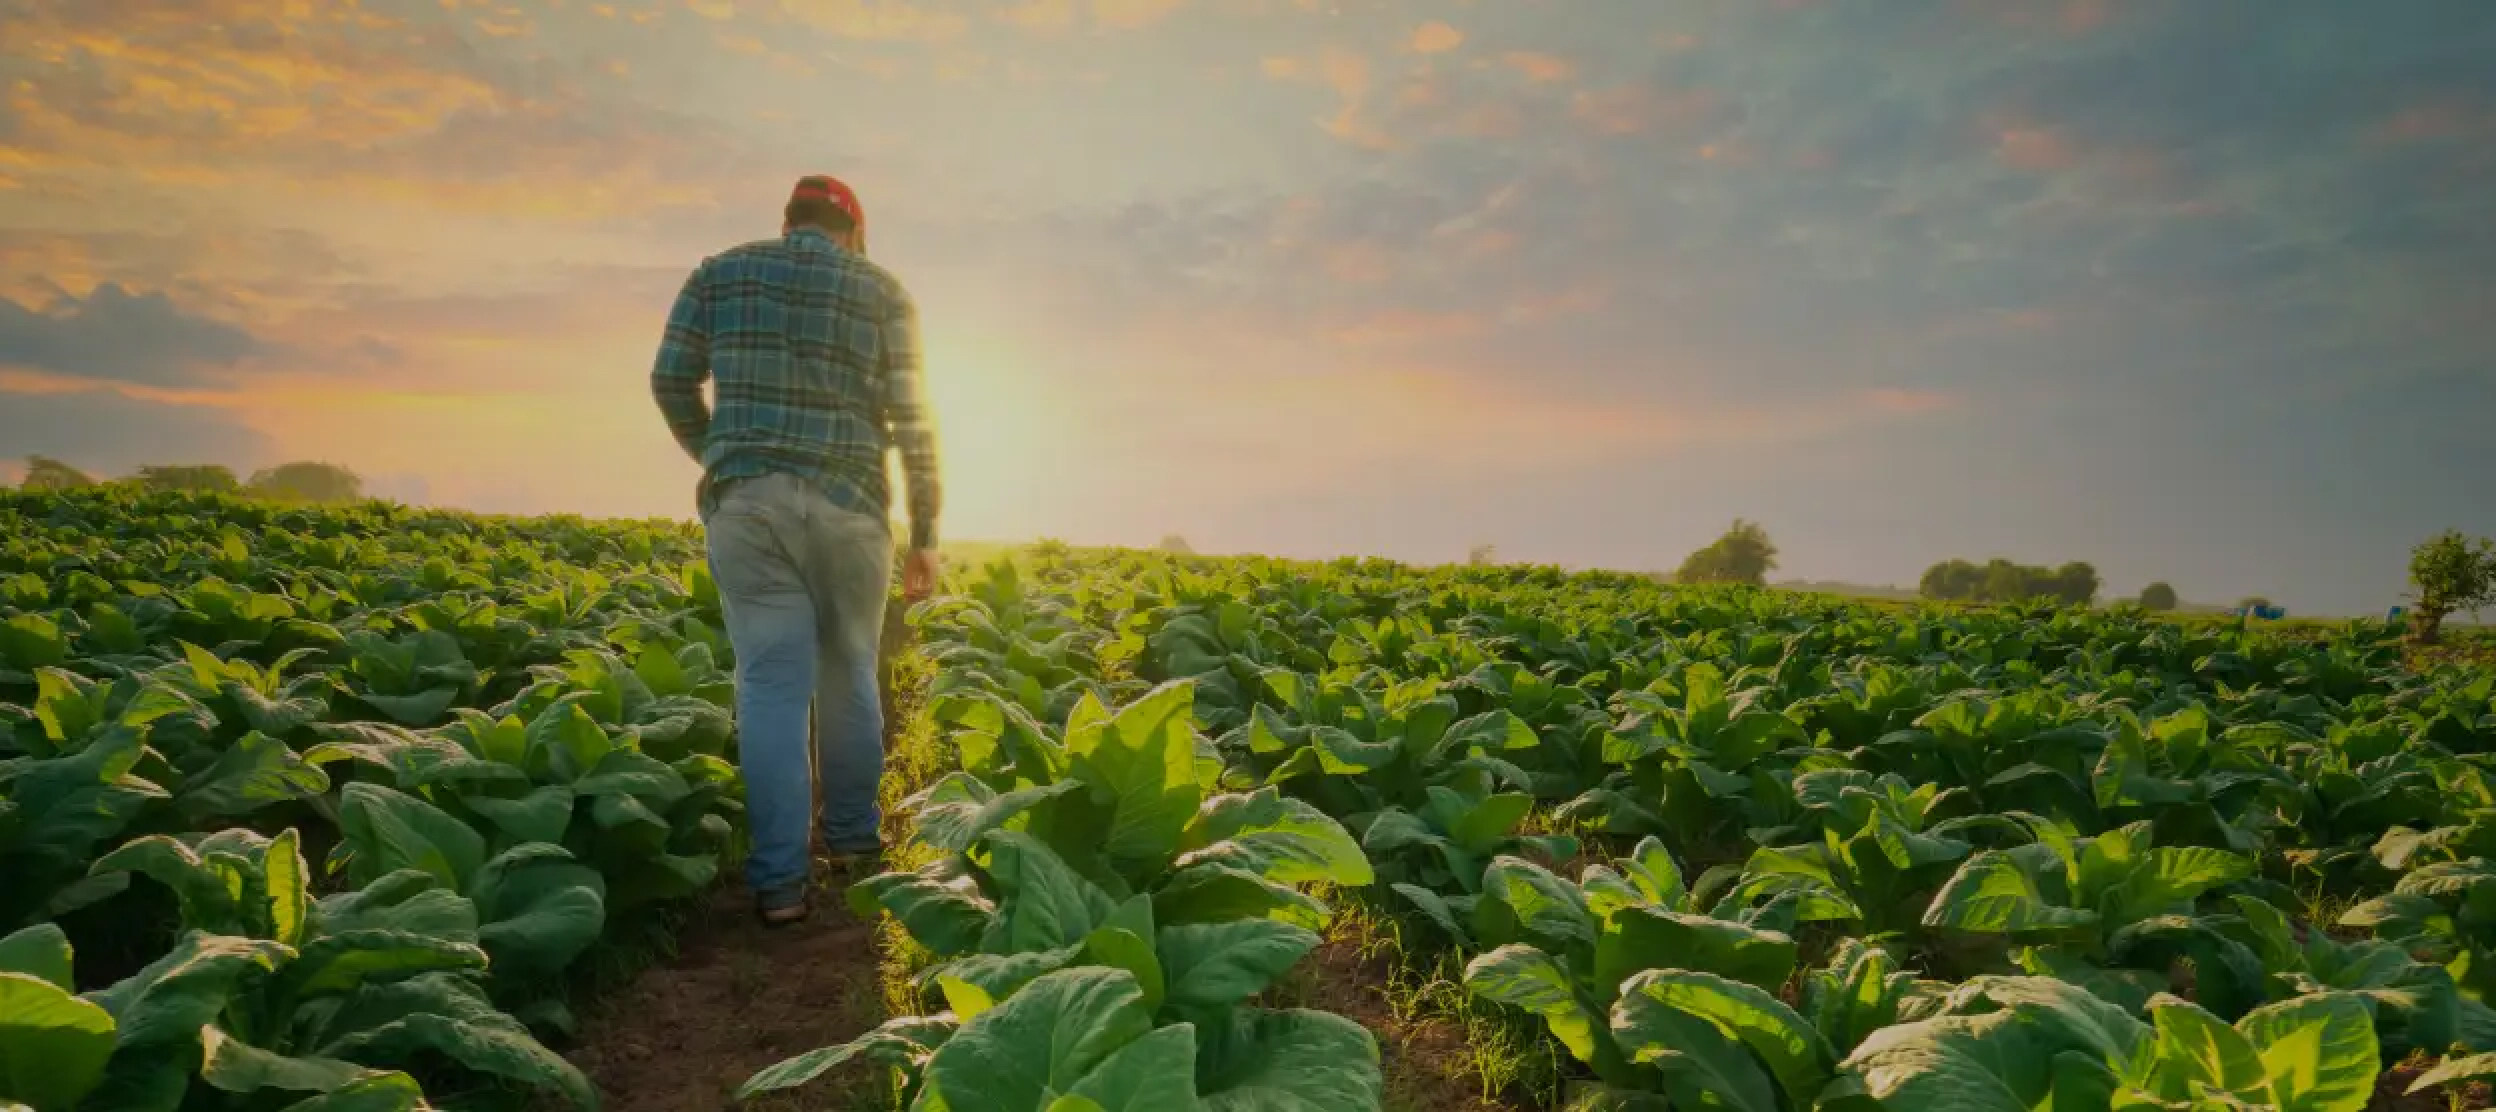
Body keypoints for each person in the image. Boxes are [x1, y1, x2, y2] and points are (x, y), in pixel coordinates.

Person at [650, 174, 942, 926]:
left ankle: (780, 884)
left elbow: (670, 379)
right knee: (850, 673)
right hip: (852, 507)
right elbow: (913, 421)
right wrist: (926, 533)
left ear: (789, 223)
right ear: (855, 234)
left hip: (749, 506)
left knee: (772, 686)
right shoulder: (882, 290)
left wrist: (722, 454)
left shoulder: (719, 272)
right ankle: (853, 845)